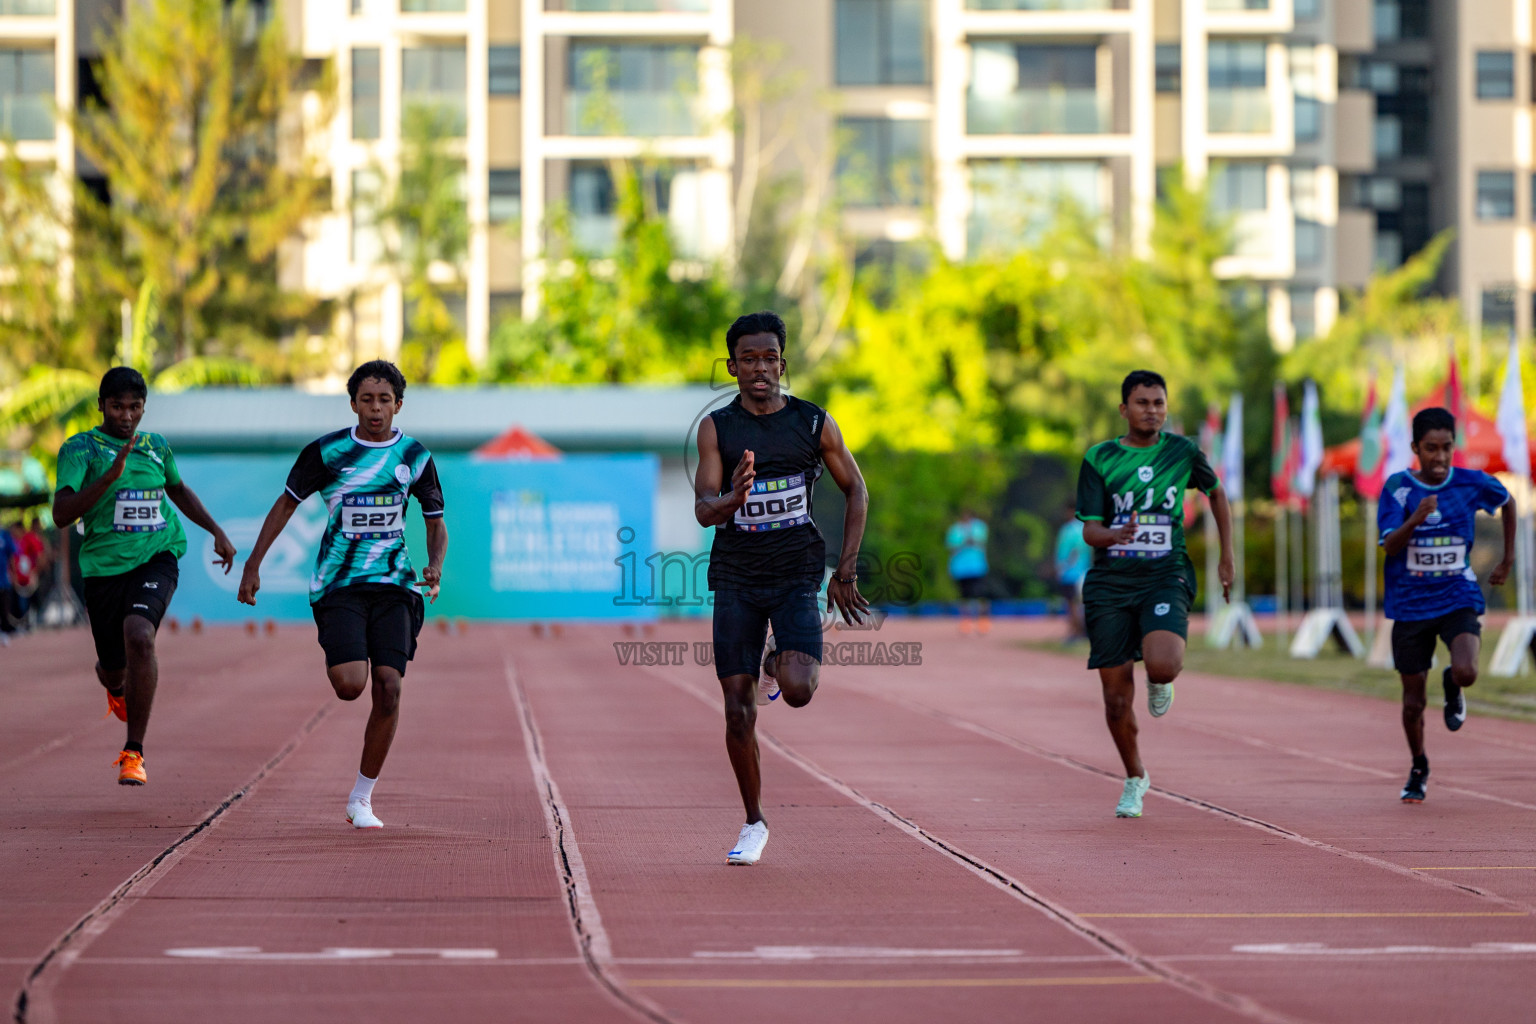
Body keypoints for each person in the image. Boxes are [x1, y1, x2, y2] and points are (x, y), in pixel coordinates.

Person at [238, 360, 447, 830]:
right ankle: (345, 654)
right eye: (367, 399)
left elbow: (436, 523)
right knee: (350, 685)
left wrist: (435, 567)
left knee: (389, 687)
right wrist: (254, 564)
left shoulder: (415, 457)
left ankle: (362, 799)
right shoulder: (327, 452)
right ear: (353, 403)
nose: (376, 409)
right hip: (339, 587)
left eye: (385, 400)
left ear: (399, 404)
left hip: (395, 585)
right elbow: (286, 503)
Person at [694, 311, 869, 866]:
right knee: (736, 710)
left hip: (796, 573)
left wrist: (845, 571)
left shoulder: (814, 423)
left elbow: (857, 492)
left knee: (797, 689)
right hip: (737, 578)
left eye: (770, 358)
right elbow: (704, 511)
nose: (760, 368)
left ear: (783, 363)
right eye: (749, 359)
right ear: (733, 367)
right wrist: (732, 499)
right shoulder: (717, 429)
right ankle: (753, 821)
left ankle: (777, 661)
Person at [52, 367, 237, 785]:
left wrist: (216, 531)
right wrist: (109, 478)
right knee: (114, 669)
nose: (127, 415)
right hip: (103, 569)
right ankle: (115, 685)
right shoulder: (80, 450)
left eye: (135, 407)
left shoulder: (155, 446)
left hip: (157, 556)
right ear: (101, 405)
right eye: (117, 406)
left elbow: (178, 490)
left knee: (139, 634)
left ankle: (133, 751)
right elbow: (62, 515)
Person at [1076, 370, 1234, 818]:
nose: (1152, 410)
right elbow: (1089, 530)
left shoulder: (1182, 452)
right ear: (1124, 409)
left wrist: (1227, 556)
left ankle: (1159, 678)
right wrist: (1113, 533)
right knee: (1115, 699)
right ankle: (1134, 777)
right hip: (1110, 583)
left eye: (1159, 403)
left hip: (1164, 575)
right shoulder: (1100, 458)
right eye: (1142, 403)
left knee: (1163, 666)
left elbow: (1217, 493)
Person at [1378, 407, 1514, 804]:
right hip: (1409, 605)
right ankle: (1419, 765)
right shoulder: (1398, 488)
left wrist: (1507, 559)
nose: (1439, 457)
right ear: (1415, 449)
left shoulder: (1470, 483)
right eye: (1431, 449)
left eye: (1447, 448)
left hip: (1457, 594)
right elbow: (1390, 545)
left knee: (1468, 670)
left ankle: (1452, 683)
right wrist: (1416, 518)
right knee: (1412, 702)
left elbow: (1508, 501)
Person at [946, 509, 990, 635]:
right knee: (964, 596)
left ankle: (983, 621)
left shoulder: (979, 527)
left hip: (977, 567)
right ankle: (966, 622)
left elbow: (980, 542)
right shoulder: (955, 530)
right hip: (960, 568)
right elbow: (952, 548)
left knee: (980, 594)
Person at [9, 517, 49, 629]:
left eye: (14, 530)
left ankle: (35, 624)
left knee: (33, 604)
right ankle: (24, 625)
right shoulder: (14, 542)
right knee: (20, 607)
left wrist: (35, 573)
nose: (13, 533)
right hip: (19, 581)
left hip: (31, 580)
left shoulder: (29, 538)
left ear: (20, 529)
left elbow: (40, 556)